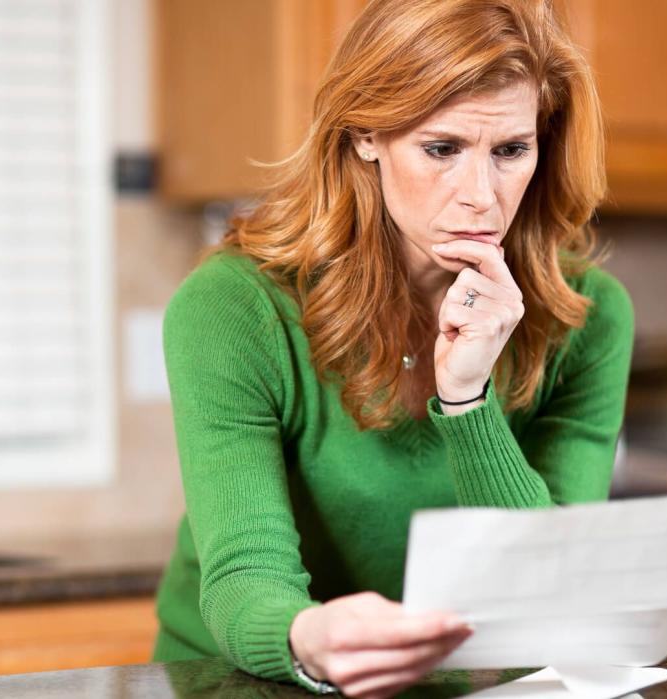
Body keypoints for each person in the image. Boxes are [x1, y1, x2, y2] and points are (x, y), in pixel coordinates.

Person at [151, 1, 635, 697]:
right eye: (441, 149)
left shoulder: (588, 318)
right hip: (252, 679)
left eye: (510, 151)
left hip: (458, 683)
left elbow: (546, 590)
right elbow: (246, 578)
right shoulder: (233, 307)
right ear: (364, 136)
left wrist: (468, 401)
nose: (480, 196)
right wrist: (312, 637)